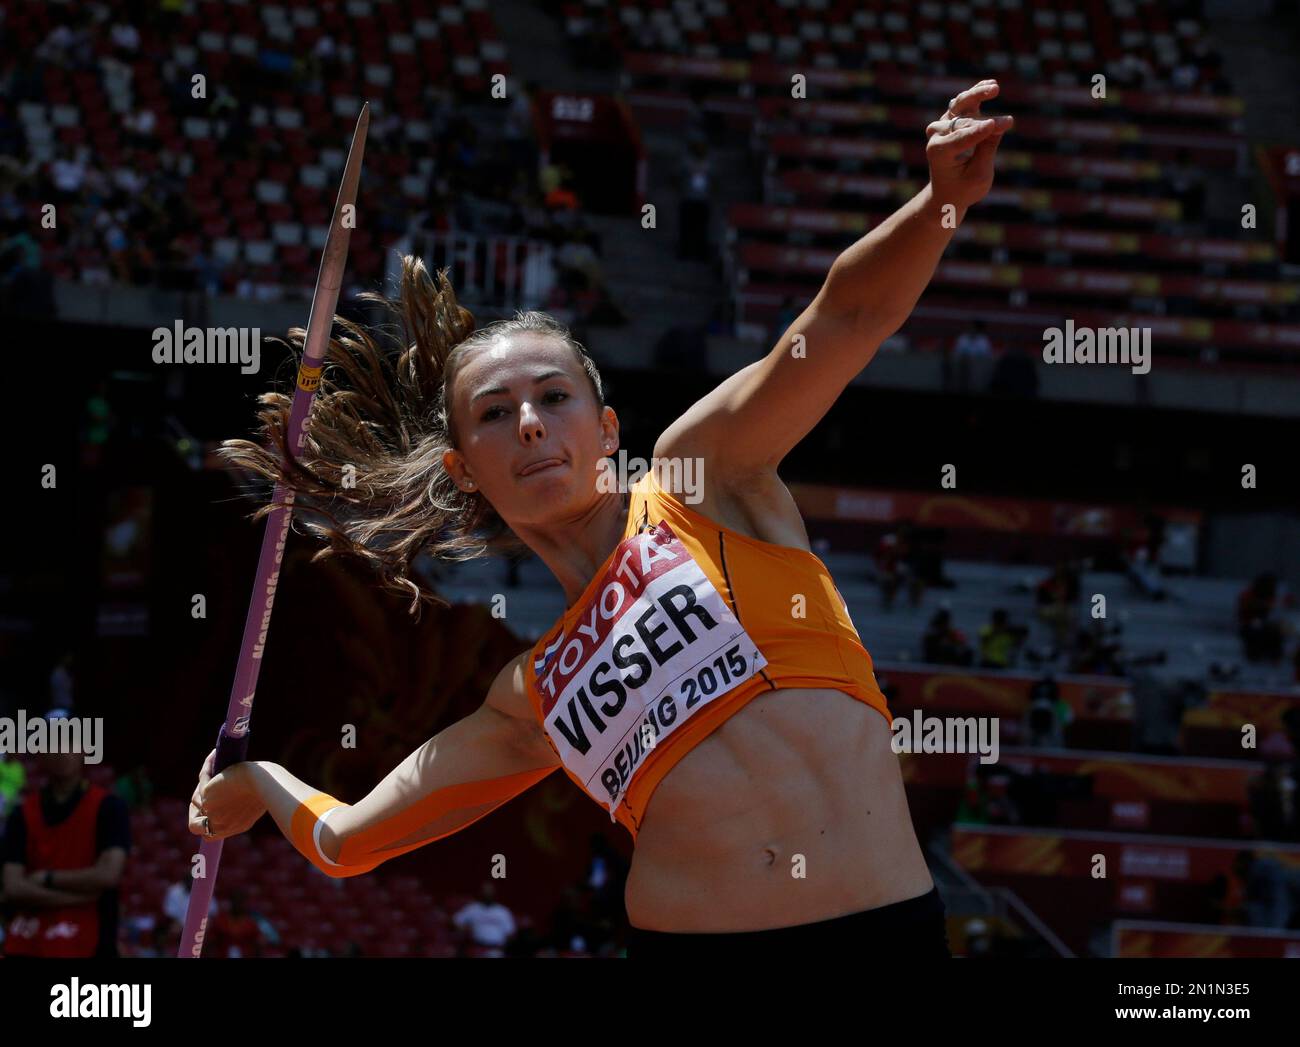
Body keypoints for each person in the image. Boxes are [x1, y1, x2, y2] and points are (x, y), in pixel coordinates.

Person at [189, 80, 1015, 958]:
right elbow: (351, 841)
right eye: (496, 413)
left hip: (884, 932)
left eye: (554, 396)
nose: (533, 423)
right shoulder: (532, 696)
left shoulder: (705, 479)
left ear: (608, 428)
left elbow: (842, 317)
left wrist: (938, 206)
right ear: (464, 470)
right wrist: (262, 782)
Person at [0, 711, 131, 958]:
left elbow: (107, 875)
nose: (61, 750)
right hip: (26, 944)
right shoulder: (21, 813)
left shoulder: (110, 808)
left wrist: (45, 878)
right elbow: (13, 887)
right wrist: (78, 896)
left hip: (89, 945)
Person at [451, 881, 517, 958]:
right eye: (485, 891)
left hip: (496, 950)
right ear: (481, 892)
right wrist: (464, 929)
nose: (487, 893)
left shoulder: (502, 911)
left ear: (494, 893)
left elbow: (510, 932)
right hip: (477, 949)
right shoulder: (473, 908)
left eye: (489, 891)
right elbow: (455, 921)